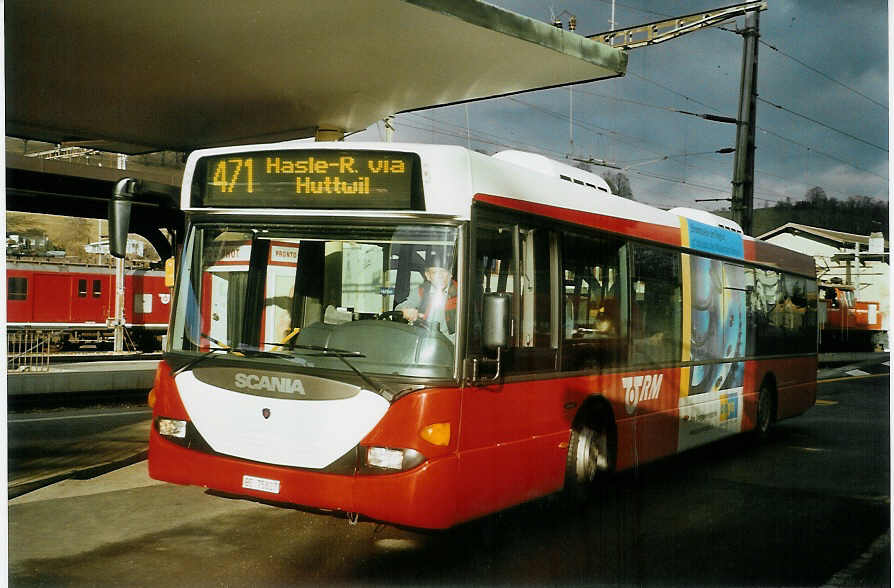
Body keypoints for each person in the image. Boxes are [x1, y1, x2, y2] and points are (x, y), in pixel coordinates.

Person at [396, 254, 457, 339]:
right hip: (425, 342)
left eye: (443, 272)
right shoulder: (422, 291)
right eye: (435, 273)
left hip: (451, 345)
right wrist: (406, 311)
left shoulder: (461, 293)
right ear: (428, 276)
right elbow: (401, 308)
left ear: (450, 274)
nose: (440, 276)